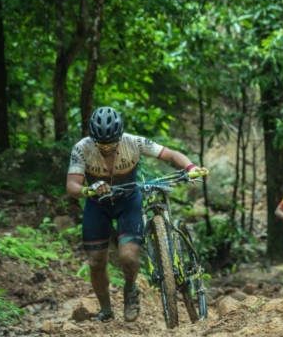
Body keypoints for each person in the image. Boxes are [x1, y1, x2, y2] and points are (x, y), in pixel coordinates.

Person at [66, 106, 207, 322]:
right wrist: (88, 190)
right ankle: (106, 310)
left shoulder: (133, 142)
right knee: (96, 262)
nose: (106, 148)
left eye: (111, 143)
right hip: (97, 204)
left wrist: (190, 167)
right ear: (92, 138)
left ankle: (131, 290)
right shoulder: (82, 148)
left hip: (128, 202)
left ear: (119, 136)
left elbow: (170, 154)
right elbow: (72, 185)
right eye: (100, 143)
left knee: (128, 257)